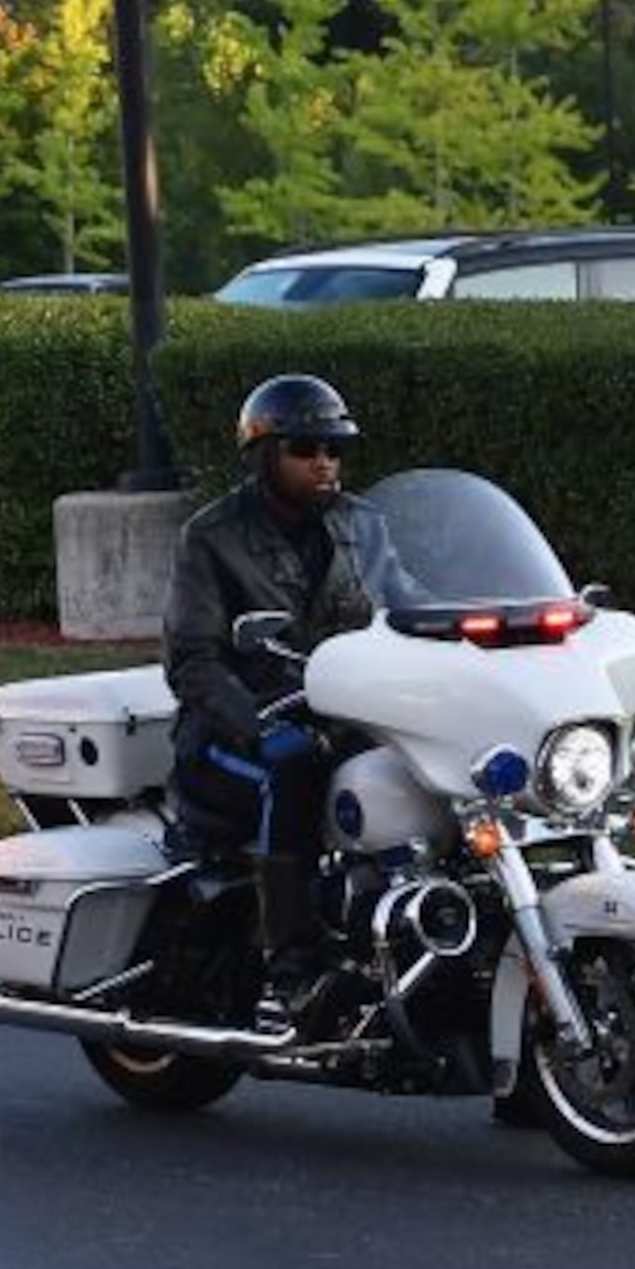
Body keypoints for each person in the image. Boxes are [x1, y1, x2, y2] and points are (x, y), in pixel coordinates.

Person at [160, 374, 408, 1037]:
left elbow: (410, 609)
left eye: (333, 447)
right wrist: (255, 725)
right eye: (305, 447)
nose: (324, 461)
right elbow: (193, 661)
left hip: (341, 718)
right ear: (266, 454)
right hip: (230, 734)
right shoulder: (212, 536)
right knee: (292, 770)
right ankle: (295, 967)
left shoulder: (365, 526)